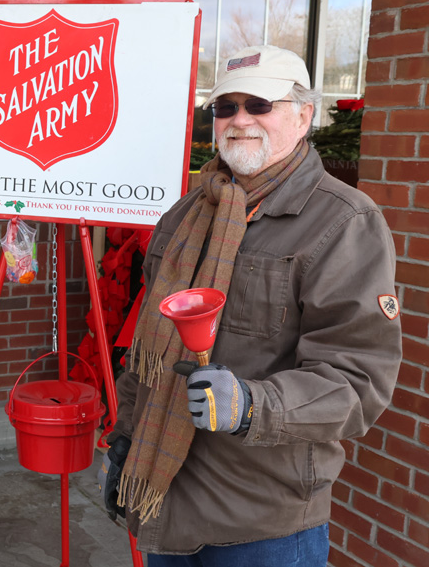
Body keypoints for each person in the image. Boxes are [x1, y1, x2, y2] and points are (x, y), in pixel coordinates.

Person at [98, 45, 402, 566]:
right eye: (225, 107)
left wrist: (251, 405)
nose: (239, 120)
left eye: (259, 104)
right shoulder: (185, 216)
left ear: (304, 115)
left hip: (263, 518)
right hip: (164, 494)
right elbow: (147, 355)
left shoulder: (343, 222)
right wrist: (124, 439)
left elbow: (357, 381)